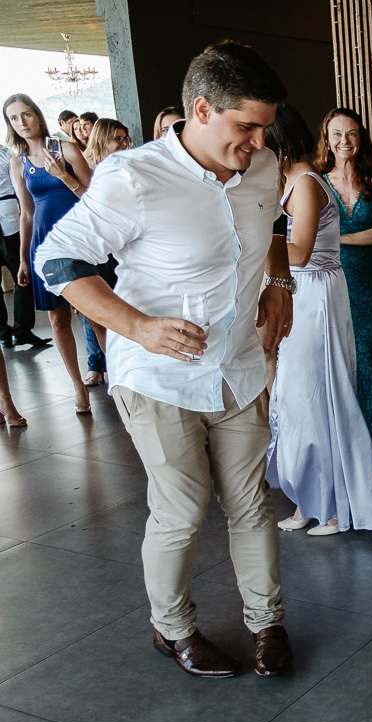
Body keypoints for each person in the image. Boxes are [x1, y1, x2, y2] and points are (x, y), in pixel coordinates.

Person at [34, 42, 297, 680]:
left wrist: (278, 282)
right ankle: (172, 629)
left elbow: (273, 225)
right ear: (202, 110)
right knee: (181, 509)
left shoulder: (262, 166)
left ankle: (267, 623)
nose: (260, 141)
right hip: (157, 377)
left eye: (265, 128)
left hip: (236, 368)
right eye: (247, 126)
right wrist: (137, 327)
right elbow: (56, 260)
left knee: (252, 503)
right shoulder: (133, 177)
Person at [264, 104, 372, 537]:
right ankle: (308, 499)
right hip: (301, 290)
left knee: (319, 396)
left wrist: (249, 236)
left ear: (278, 142)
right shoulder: (290, 179)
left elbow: (299, 253)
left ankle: (335, 508)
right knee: (297, 398)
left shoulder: (305, 183)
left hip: (315, 293)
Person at [4, 94, 93, 412]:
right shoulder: (18, 162)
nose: (22, 122)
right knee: (57, 319)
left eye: (26, 114)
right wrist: (23, 259)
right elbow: (26, 213)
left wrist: (64, 176)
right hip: (43, 243)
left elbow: (94, 197)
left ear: (38, 116)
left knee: (96, 314)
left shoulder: (65, 149)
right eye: (14, 118)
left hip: (79, 239)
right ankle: (78, 387)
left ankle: (119, 380)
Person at [314, 107, 372, 454]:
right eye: (337, 134)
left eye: (351, 133)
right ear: (327, 139)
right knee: (334, 357)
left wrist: (337, 239)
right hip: (328, 280)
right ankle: (340, 444)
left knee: (369, 356)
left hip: (366, 281)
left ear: (360, 139)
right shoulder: (317, 182)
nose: (344, 141)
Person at [78, 118, 132, 385]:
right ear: (102, 139)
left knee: (125, 308)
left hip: (123, 244)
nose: (123, 143)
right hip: (95, 244)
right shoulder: (85, 168)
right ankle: (109, 365)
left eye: (125, 138)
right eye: (117, 139)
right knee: (97, 313)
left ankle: (126, 367)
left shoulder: (129, 166)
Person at [1, 142, 49, 349]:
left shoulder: (7, 155)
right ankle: (20, 331)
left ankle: (5, 333)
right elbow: (20, 189)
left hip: (9, 217)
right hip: (10, 218)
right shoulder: (6, 155)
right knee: (22, 274)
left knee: (22, 274)